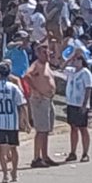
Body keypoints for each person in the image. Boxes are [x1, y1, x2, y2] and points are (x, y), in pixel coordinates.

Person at [0, 61, 28, 183]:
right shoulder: (14, 88)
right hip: (12, 123)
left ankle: (5, 175)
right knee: (13, 149)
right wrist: (25, 121)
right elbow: (22, 105)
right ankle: (14, 171)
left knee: (2, 149)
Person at [22, 40, 57, 168]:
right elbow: (27, 76)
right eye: (43, 52)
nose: (46, 53)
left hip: (48, 100)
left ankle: (45, 156)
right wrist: (37, 90)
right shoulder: (36, 64)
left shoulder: (47, 65)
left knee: (46, 130)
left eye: (47, 51)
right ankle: (36, 158)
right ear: (37, 53)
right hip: (39, 100)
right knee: (40, 130)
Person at [63, 49, 92, 163]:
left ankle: (85, 152)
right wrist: (70, 58)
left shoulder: (86, 73)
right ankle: (73, 152)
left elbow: (88, 88)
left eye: (77, 59)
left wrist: (85, 104)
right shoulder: (71, 71)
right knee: (73, 128)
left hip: (80, 104)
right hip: (71, 103)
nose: (75, 61)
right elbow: (61, 67)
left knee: (83, 128)